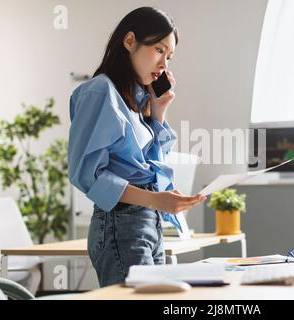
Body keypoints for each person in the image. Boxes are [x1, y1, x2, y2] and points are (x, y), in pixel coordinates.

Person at [68, 7, 206, 287]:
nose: (164, 64)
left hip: (147, 221)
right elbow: (86, 174)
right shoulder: (99, 92)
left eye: (169, 57)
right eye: (159, 50)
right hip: (120, 225)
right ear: (129, 41)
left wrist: (157, 114)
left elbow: (150, 166)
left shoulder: (137, 100)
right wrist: (155, 200)